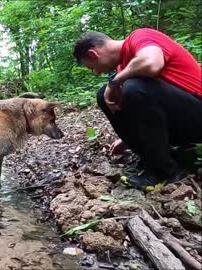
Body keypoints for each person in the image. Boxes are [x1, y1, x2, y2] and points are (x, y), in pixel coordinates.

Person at [73, 28, 202, 191]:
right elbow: (145, 111)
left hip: (197, 112)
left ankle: (162, 172)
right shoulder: (124, 67)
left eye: (93, 68)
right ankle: (151, 158)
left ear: (94, 54)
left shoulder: (141, 37)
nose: (97, 72)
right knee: (105, 96)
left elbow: (151, 64)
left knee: (135, 87)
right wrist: (130, 138)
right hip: (180, 122)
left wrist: (114, 82)